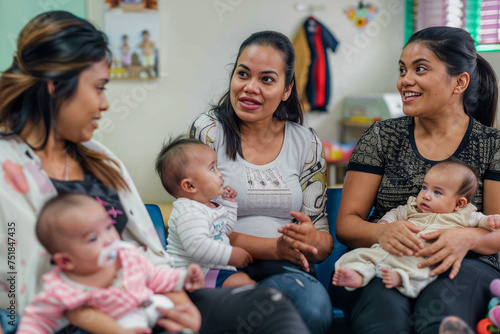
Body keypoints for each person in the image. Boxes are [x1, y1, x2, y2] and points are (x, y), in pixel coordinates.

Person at [0, 11, 310, 334]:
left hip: (145, 304)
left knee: (271, 308)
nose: (105, 104)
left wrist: (182, 306)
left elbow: (151, 254)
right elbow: (13, 299)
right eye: (99, 88)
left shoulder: (100, 161)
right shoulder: (6, 171)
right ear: (55, 87)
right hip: (69, 322)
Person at [329, 26, 500, 333]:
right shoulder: (381, 137)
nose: (404, 80)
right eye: (402, 69)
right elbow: (347, 224)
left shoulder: (494, 145)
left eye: (420, 69)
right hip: (385, 259)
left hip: (468, 263)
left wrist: (468, 238)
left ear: (459, 82)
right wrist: (382, 234)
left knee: (441, 306)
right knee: (385, 310)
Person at [188, 30, 334, 334]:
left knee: (311, 306)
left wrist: (311, 242)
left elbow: (322, 238)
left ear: (286, 89)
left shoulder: (305, 143)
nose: (249, 88)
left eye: (267, 79)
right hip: (219, 266)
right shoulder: (209, 132)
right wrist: (274, 248)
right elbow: (193, 227)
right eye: (243, 74)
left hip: (286, 270)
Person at [18, 193, 205, 334]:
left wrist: (183, 277)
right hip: (120, 323)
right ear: (65, 260)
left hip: (152, 304)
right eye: (93, 239)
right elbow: (37, 320)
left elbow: (153, 276)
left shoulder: (127, 256)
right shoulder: (61, 288)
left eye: (108, 227)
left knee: (170, 308)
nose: (108, 240)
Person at [332, 158, 500, 298]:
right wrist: (383, 226)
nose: (425, 195)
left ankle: (401, 279)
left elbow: (482, 221)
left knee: (423, 271)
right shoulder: (412, 207)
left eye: (437, 192)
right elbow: (395, 213)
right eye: (425, 187)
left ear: (459, 204)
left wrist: (491, 220)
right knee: (364, 255)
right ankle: (356, 274)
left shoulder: (465, 214)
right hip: (392, 247)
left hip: (423, 256)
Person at [155, 137, 256, 288]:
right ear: (190, 185)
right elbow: (197, 245)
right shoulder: (188, 211)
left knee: (245, 281)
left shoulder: (208, 205)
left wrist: (229, 204)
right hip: (193, 275)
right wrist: (229, 255)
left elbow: (224, 229)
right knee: (244, 283)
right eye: (212, 168)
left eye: (216, 167)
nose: (220, 173)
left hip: (213, 269)